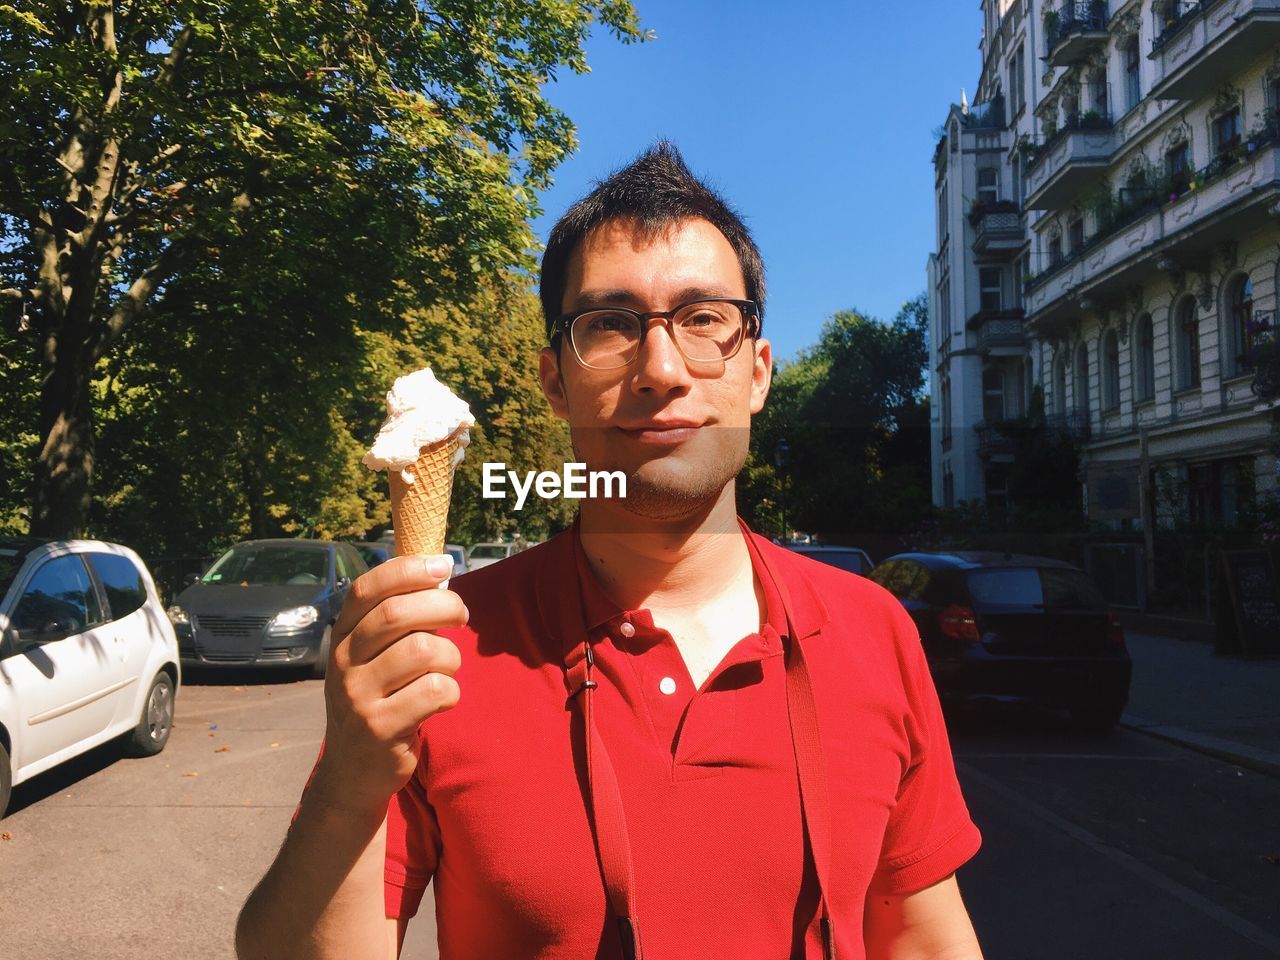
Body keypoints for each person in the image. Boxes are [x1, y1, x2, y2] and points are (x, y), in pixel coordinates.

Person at [236, 142, 984, 960]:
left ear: (759, 373)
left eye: (705, 320)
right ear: (555, 382)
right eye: (610, 326)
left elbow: (924, 937)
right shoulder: (442, 649)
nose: (661, 368)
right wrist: (349, 777)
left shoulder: (874, 629)